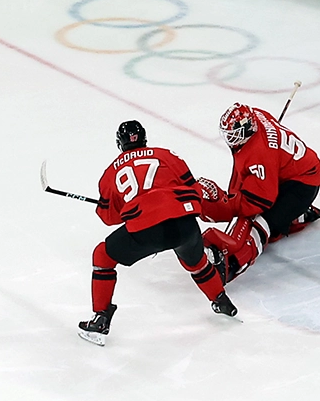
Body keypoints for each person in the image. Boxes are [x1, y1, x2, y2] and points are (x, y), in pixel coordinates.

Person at [78, 120, 236, 346]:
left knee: (102, 256)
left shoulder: (110, 173)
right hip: (184, 222)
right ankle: (221, 300)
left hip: (148, 229)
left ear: (119, 143)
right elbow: (193, 187)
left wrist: (127, 206)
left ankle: (100, 319)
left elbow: (109, 218)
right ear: (144, 139)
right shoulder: (166, 155)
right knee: (197, 262)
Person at [198, 103, 320, 283]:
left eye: (234, 135)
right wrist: (233, 197)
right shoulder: (256, 116)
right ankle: (297, 216)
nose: (230, 139)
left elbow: (260, 201)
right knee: (266, 216)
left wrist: (230, 207)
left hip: (302, 185)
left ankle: (233, 265)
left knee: (260, 223)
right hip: (288, 173)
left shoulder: (259, 153)